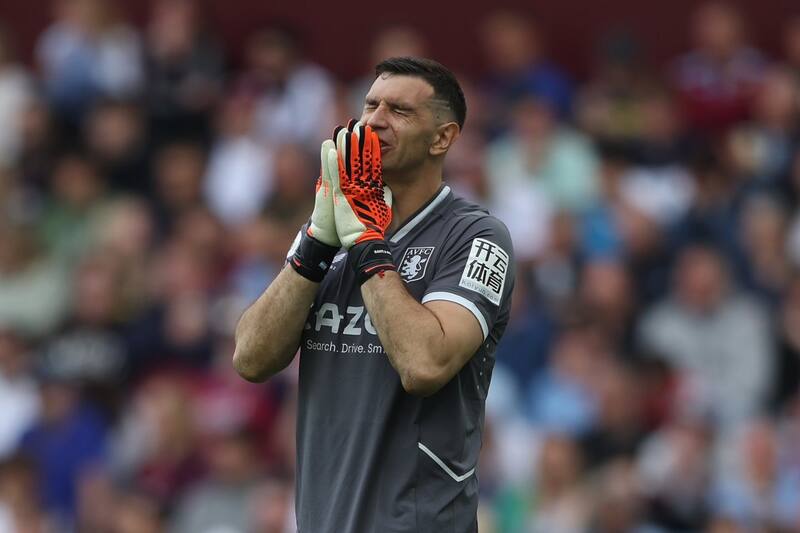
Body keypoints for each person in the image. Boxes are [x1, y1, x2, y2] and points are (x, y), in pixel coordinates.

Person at [233, 57, 515, 532]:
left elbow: (424, 365)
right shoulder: (329, 234)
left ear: (442, 138)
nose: (375, 120)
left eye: (400, 111)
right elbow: (250, 358)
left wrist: (368, 244)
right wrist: (317, 243)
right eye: (370, 105)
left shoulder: (476, 236)